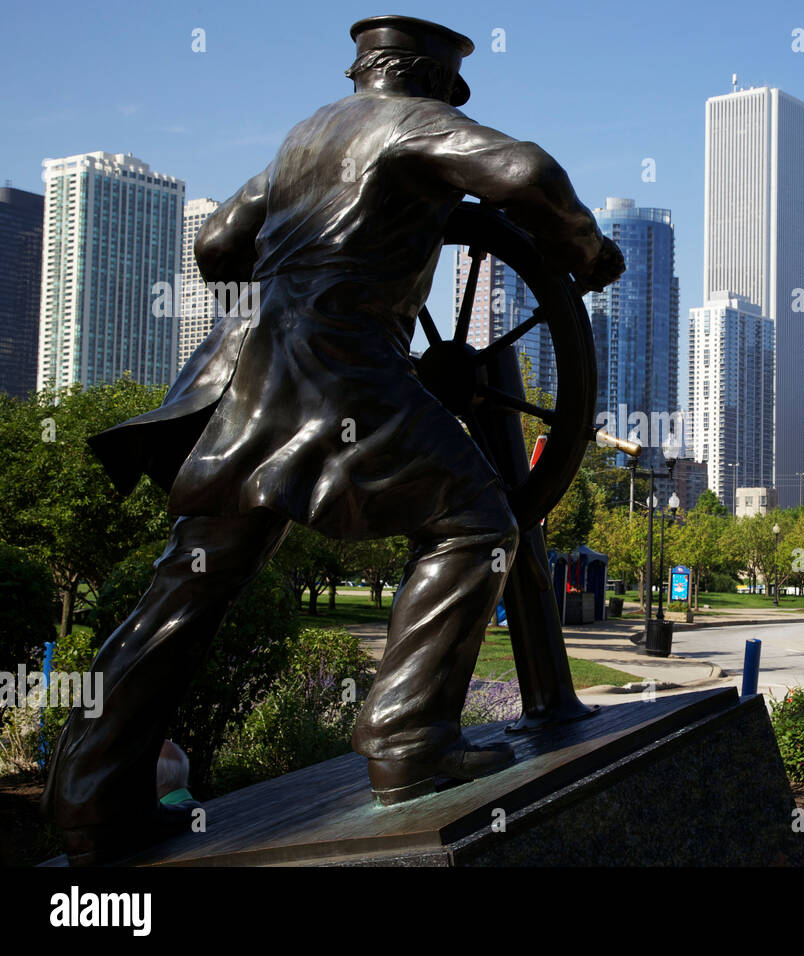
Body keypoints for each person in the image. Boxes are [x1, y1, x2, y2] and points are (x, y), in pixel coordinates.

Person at [42, 15, 625, 866]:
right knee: (478, 523)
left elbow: (214, 246)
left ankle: (90, 795)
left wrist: (304, 255)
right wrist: (584, 243)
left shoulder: (300, 139)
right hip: (340, 364)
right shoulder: (410, 123)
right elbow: (523, 168)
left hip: (239, 379)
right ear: (428, 79)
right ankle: (409, 736)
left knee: (190, 583)